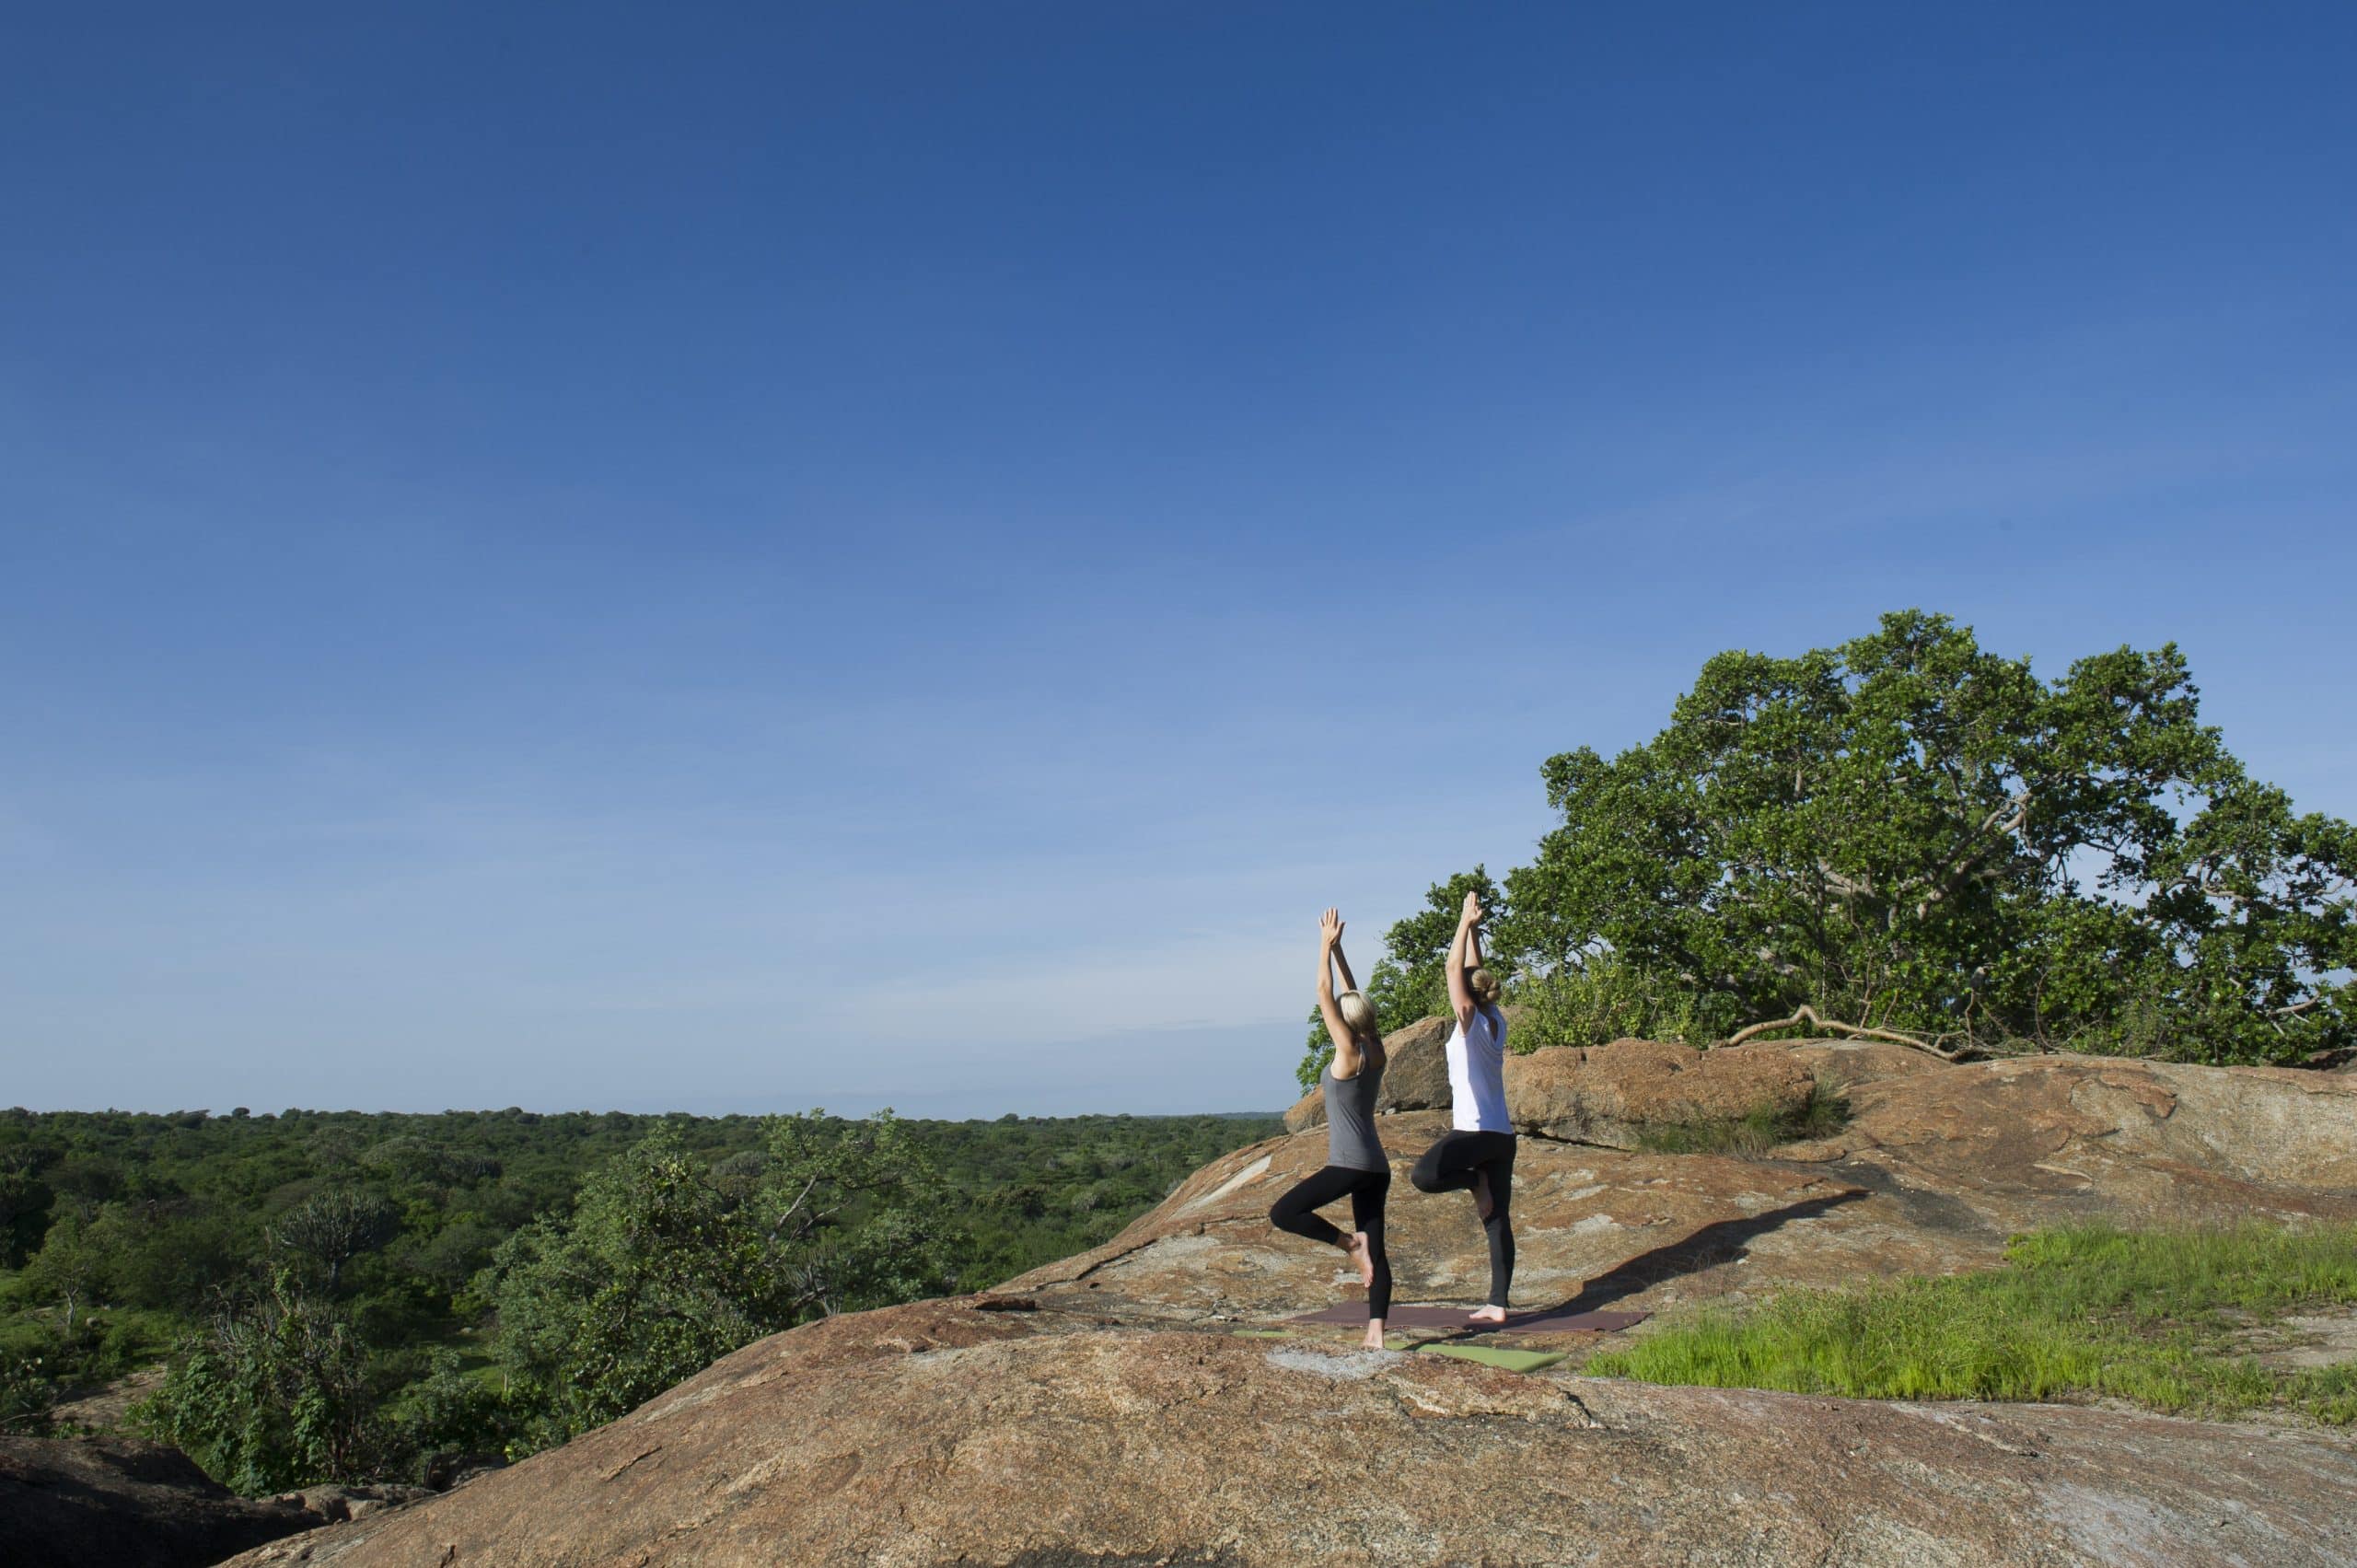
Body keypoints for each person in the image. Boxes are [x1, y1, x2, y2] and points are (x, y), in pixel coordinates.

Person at [1268, 907, 1393, 1349]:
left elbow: (1325, 990)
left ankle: (1347, 1245)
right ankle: (1376, 1332)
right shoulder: (1376, 1048)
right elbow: (1353, 993)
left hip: (1349, 1164)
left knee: (1283, 1213)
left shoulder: (1347, 1051)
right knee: (1377, 1249)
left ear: (1347, 1020)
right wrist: (1341, 951)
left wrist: (1323, 944)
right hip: (1376, 1166)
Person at [1410, 889, 1515, 1324]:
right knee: (1497, 1221)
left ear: (1466, 998)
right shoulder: (1495, 1017)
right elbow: (1472, 970)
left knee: (1424, 1175)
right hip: (1502, 1136)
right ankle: (1498, 1304)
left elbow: (1456, 968)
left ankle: (1474, 1181)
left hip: (1473, 1133)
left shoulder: (1470, 1020)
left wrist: (1460, 922)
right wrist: (1473, 927)